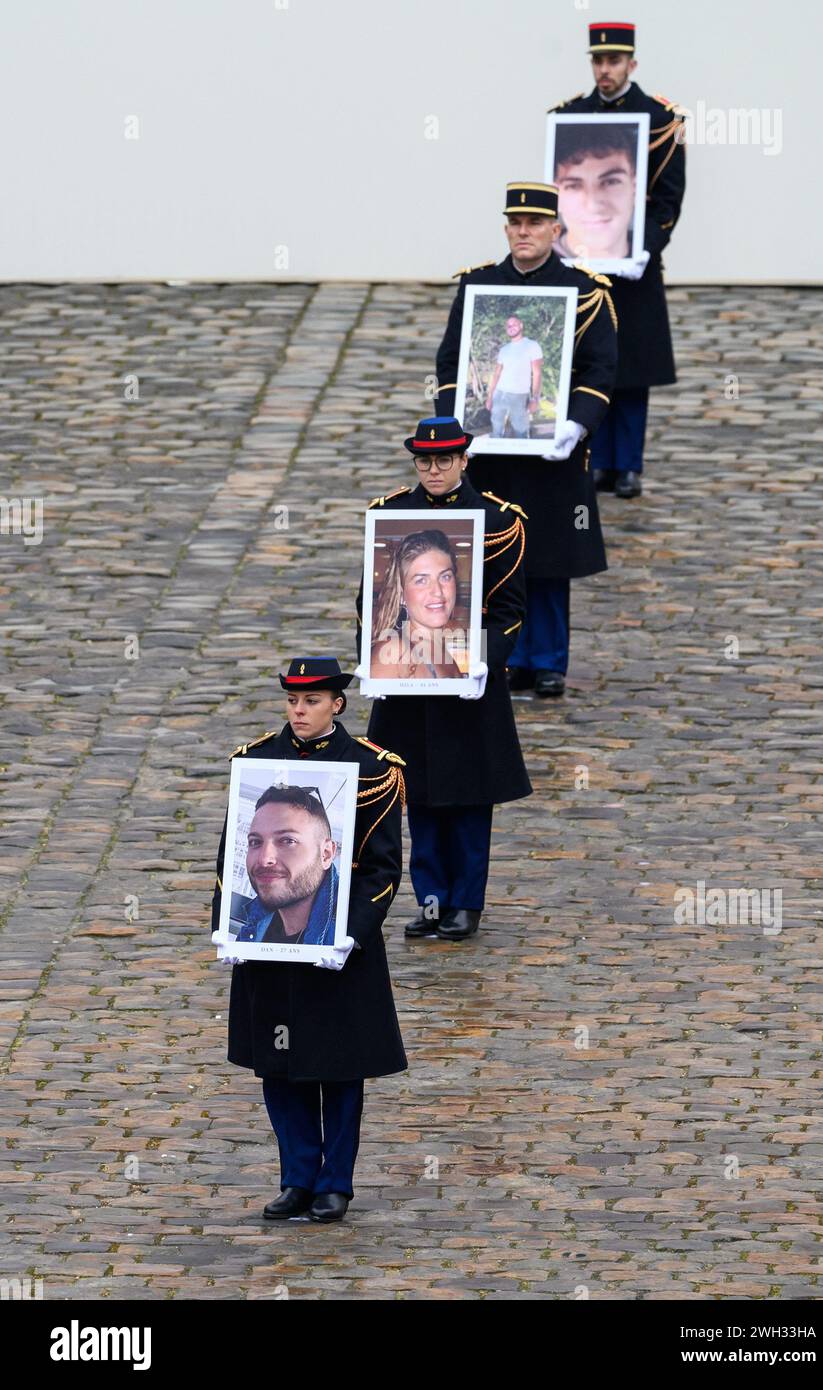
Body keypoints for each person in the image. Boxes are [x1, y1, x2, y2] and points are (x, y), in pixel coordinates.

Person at [210, 657, 407, 1224]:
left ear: (337, 704)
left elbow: (382, 869)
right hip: (269, 945)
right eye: (293, 701)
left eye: (313, 701)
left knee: (340, 1066)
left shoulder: (373, 768)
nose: (300, 711)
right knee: (280, 1063)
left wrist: (350, 935)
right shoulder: (254, 760)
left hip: (339, 947)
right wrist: (227, 923)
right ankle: (296, 1177)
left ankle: (335, 1183)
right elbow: (232, 854)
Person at [435, 181, 617, 697]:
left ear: (556, 230)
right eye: (515, 223)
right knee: (494, 556)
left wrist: (575, 424)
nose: (524, 231)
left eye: (535, 223)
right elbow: (452, 363)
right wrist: (455, 429)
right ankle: (504, 659)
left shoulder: (584, 291)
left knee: (548, 557)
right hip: (490, 452)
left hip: (551, 452)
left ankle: (549, 661)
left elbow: (600, 368)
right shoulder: (479, 287)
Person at [356, 416, 531, 941]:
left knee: (470, 799)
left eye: (445, 460)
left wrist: (486, 660)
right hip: (407, 681)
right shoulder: (390, 515)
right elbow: (370, 601)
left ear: (464, 461)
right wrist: (373, 657)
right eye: (425, 461)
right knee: (421, 796)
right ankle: (431, 901)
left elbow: (511, 610)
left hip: (469, 686)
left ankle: (466, 904)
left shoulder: (497, 520)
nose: (434, 470)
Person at [549, 19, 686, 499]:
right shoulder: (572, 116)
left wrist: (639, 249)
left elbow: (667, 200)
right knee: (588, 362)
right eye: (598, 61)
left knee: (631, 367)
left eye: (614, 61)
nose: (605, 70)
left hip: (633, 266)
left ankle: (627, 465)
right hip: (584, 262)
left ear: (632, 63)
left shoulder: (661, 120)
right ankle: (596, 460)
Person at [235, 785, 339, 945]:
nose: (264, 860)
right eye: (255, 842)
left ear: (325, 855)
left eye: (288, 841)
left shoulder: (348, 928)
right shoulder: (254, 927)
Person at [370, 528, 463, 678]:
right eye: (421, 580)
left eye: (445, 577)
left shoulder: (439, 648)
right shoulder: (395, 651)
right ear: (401, 595)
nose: (438, 591)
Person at [553, 124, 638, 262]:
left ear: (635, 187)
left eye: (611, 182)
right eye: (574, 186)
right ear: (555, 195)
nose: (593, 206)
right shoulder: (537, 268)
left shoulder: (649, 260)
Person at [486, 315, 543, 439]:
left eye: (514, 324)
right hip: (499, 394)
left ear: (521, 326)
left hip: (519, 395)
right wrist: (490, 396)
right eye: (508, 326)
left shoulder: (532, 345)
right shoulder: (504, 350)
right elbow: (496, 374)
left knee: (521, 433)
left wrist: (535, 399)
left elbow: (537, 373)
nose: (511, 327)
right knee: (496, 431)